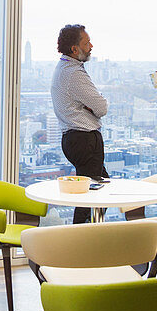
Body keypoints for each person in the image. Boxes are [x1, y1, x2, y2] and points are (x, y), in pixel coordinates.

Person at [50, 24, 109, 224]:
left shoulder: (66, 68)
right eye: (86, 43)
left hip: (76, 138)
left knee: (102, 188)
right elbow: (101, 107)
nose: (91, 46)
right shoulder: (73, 73)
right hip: (84, 140)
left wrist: (89, 106)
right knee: (89, 199)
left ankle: (88, 242)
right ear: (75, 49)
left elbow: (94, 106)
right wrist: (91, 107)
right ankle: (80, 247)